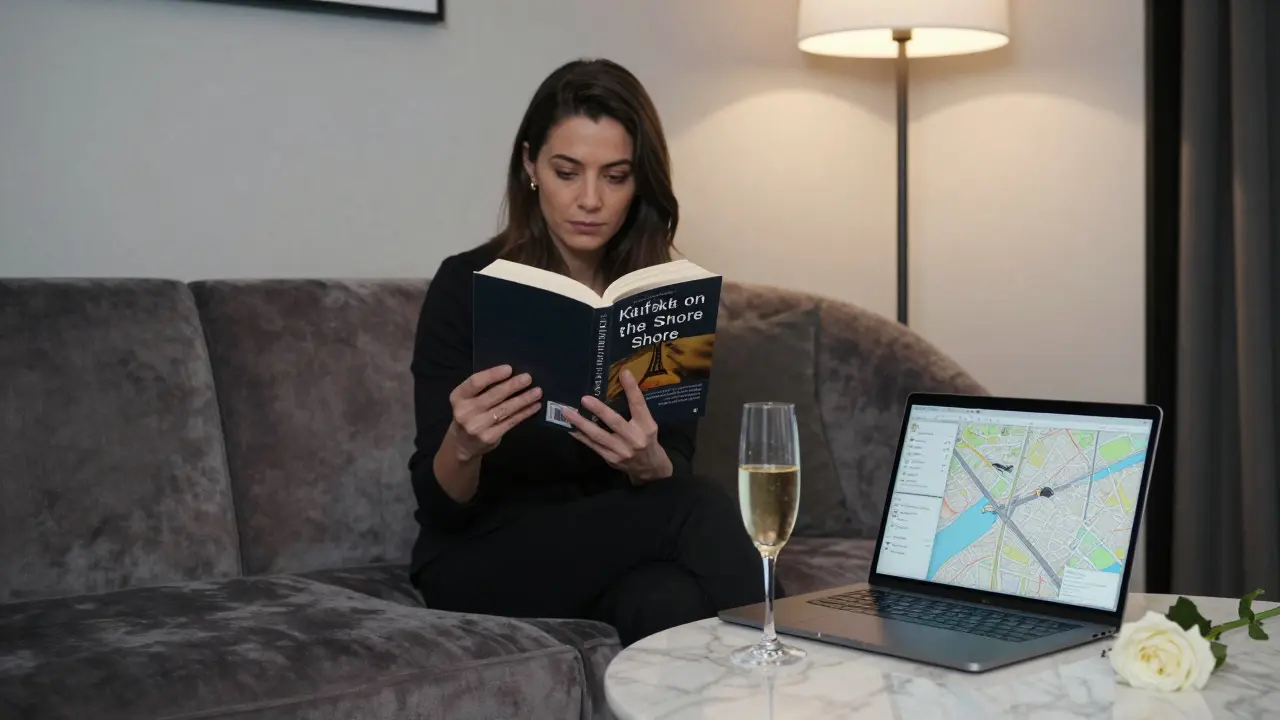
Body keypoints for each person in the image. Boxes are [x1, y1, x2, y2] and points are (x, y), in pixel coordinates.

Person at [407, 58, 767, 646]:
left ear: (639, 182)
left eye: (616, 176)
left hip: (608, 550)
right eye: (567, 172)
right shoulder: (466, 283)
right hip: (482, 557)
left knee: (667, 600)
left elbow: (673, 462)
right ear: (530, 165)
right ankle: (799, 675)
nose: (590, 200)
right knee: (698, 506)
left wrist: (647, 463)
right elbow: (438, 503)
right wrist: (464, 443)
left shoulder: (658, 296)